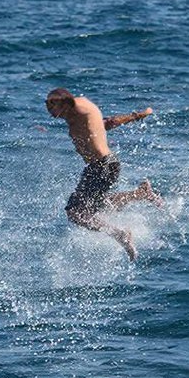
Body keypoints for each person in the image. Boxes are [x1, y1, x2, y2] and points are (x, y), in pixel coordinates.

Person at [44, 87, 163, 260]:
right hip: (100, 166)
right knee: (97, 205)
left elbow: (84, 108)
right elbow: (107, 123)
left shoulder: (79, 109)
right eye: (46, 104)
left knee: (75, 213)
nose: (48, 109)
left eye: (51, 104)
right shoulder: (72, 116)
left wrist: (66, 100)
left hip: (103, 166)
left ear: (64, 103)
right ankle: (140, 194)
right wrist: (135, 116)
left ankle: (119, 234)